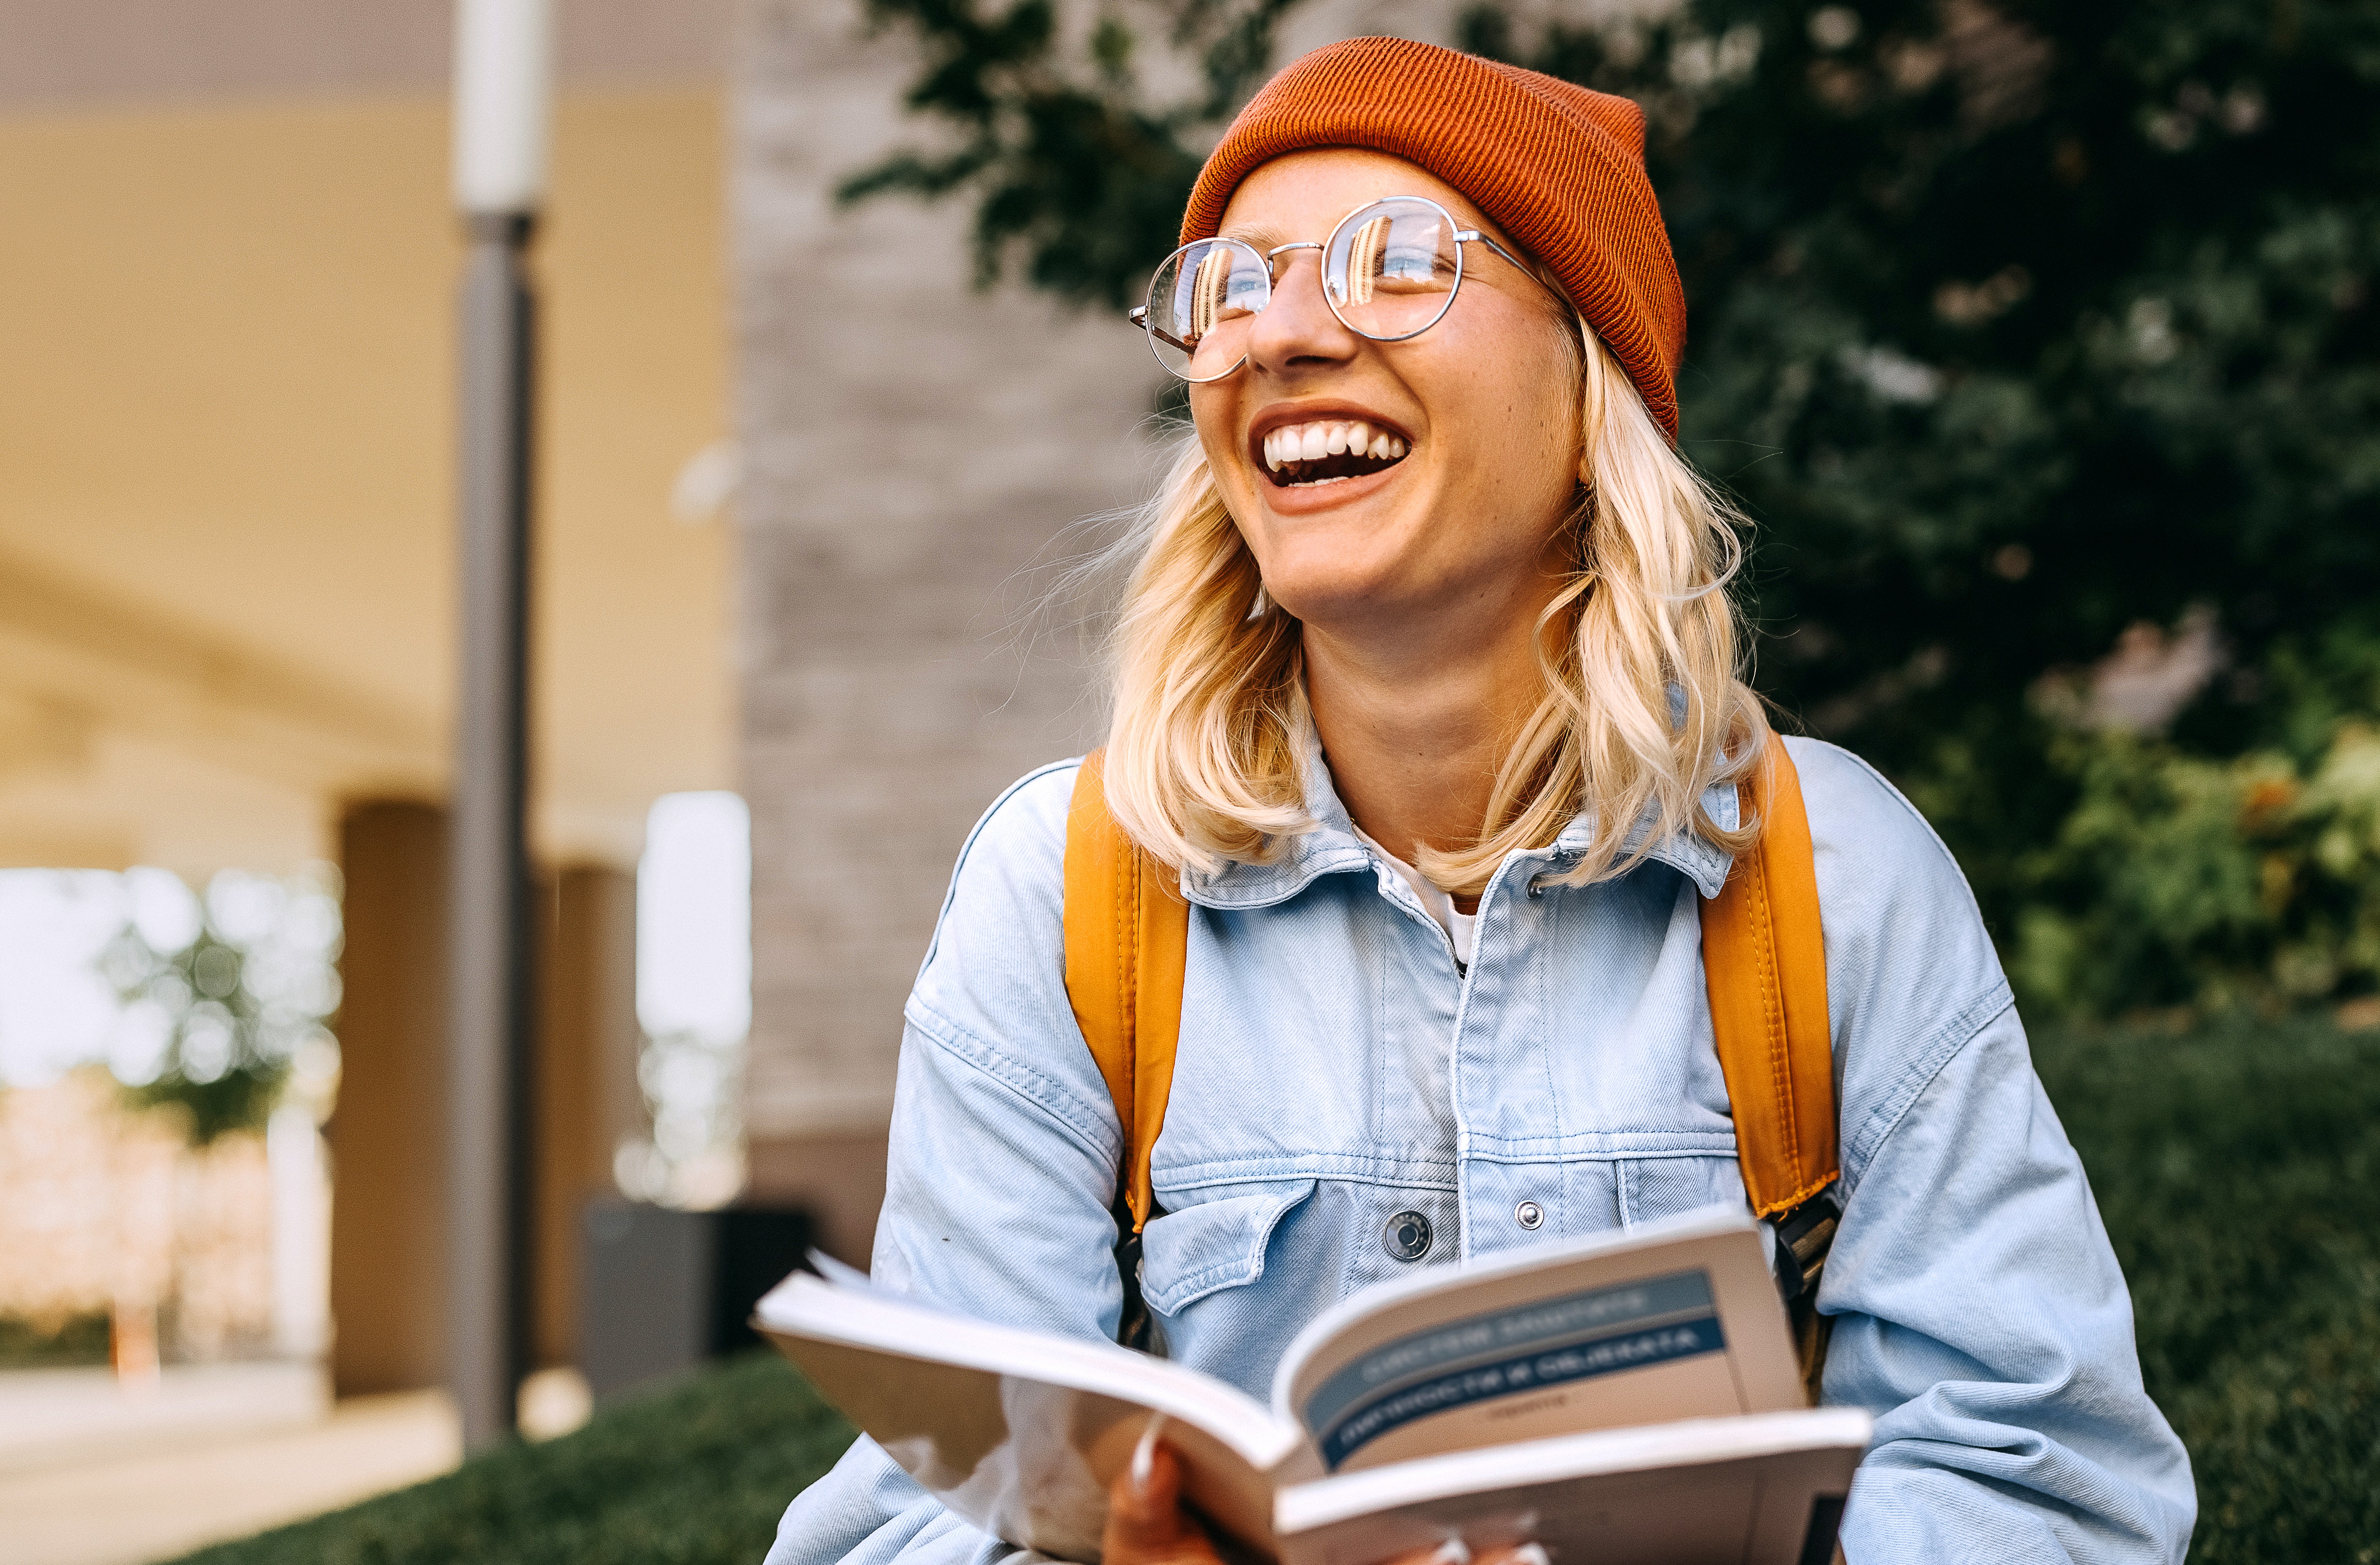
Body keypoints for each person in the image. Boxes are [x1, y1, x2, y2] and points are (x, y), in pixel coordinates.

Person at [766, 35, 2194, 1565]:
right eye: (1232, 287)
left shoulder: (1835, 879)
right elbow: (903, 1530)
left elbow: (2045, 1484)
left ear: (1590, 380)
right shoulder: (1061, 899)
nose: (1280, 334)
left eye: (1395, 264)